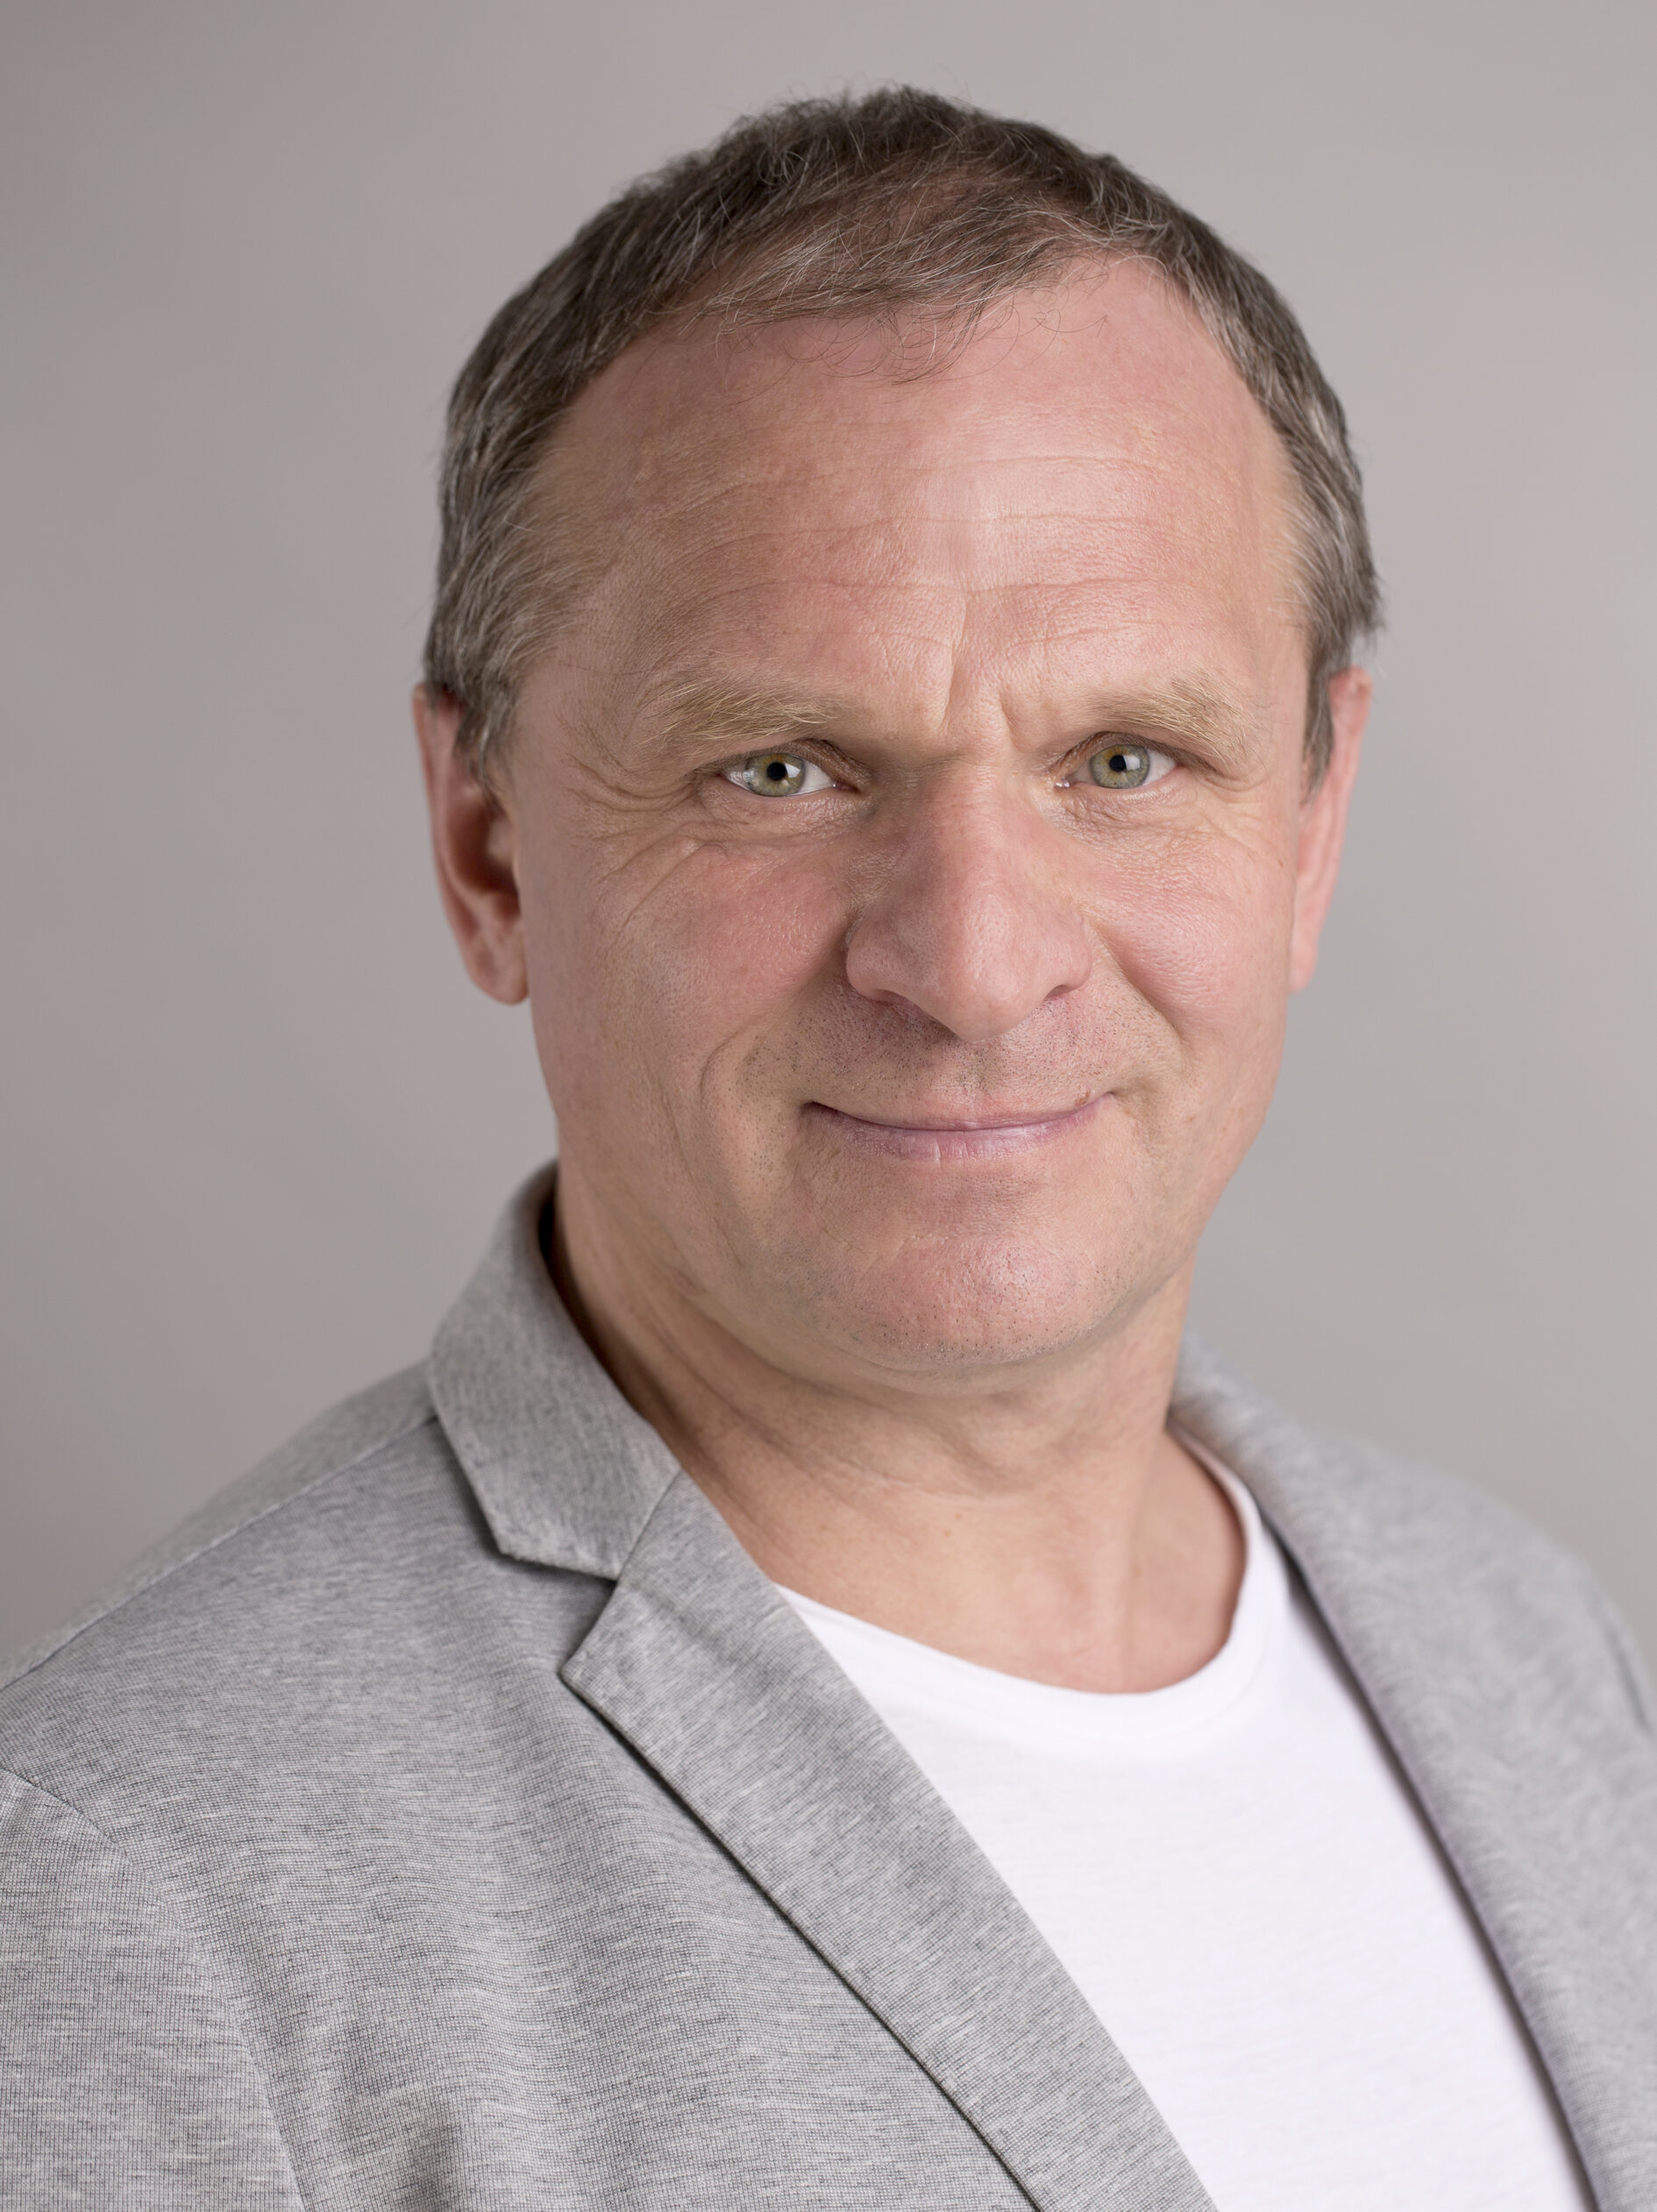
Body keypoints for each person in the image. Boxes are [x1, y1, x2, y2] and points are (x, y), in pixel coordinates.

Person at [2, 87, 1651, 2212]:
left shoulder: (1536, 1658)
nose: (971, 961)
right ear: (487, 845)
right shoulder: (129, 1888)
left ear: (1312, 822)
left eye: (1125, 758)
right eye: (779, 767)